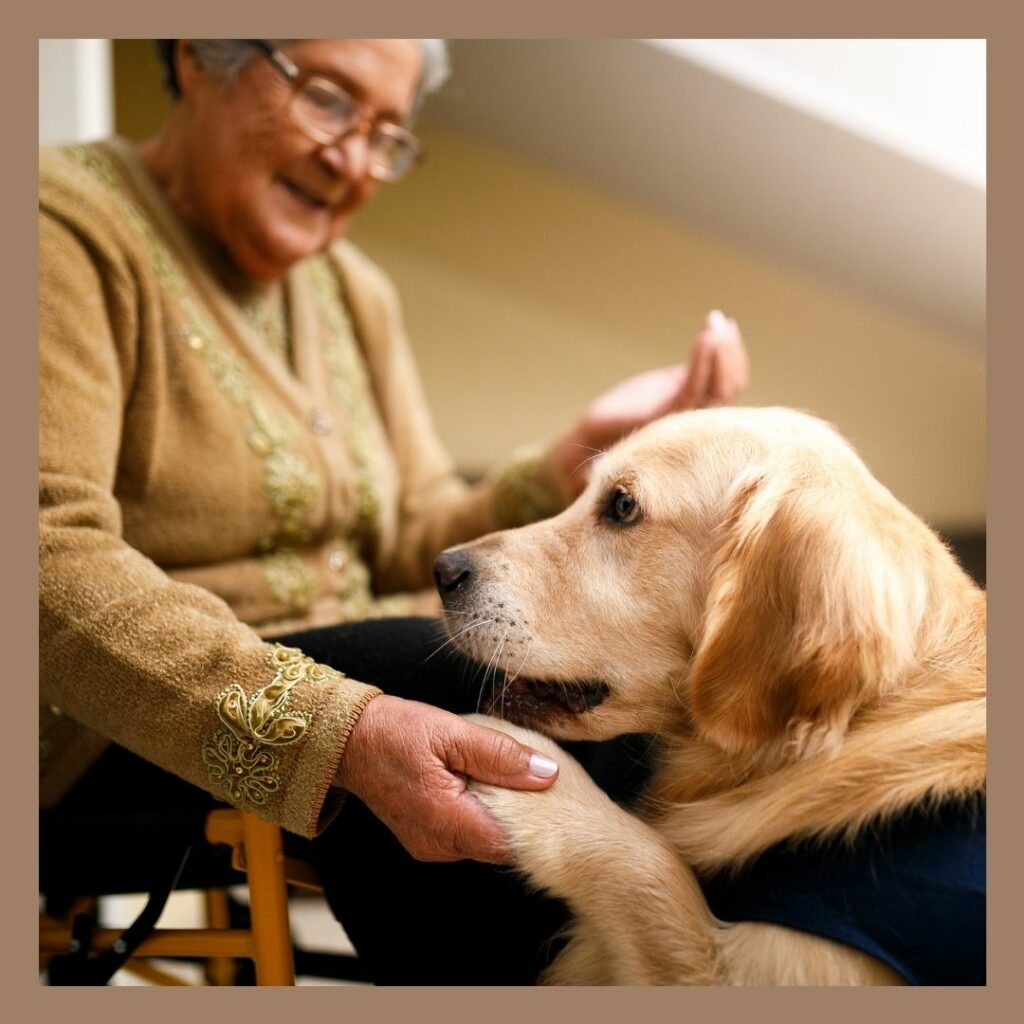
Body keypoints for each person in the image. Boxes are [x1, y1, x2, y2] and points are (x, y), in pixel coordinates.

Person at [39, 38, 749, 983]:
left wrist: (575, 450)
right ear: (197, 53)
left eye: (386, 136)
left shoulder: (350, 291)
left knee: (607, 695)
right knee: (478, 694)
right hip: (102, 731)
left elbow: (422, 537)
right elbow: (41, 557)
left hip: (354, 664)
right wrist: (340, 730)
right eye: (328, 101)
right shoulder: (56, 227)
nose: (351, 159)